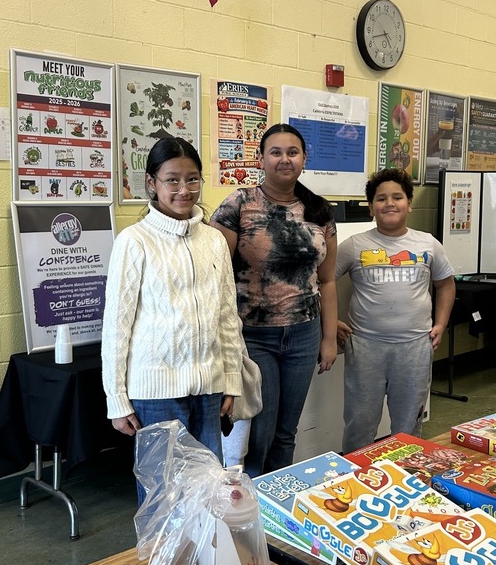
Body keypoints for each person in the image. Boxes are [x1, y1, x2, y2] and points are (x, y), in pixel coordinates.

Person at [101, 137, 242, 488]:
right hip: (155, 393)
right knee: (161, 494)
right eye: (172, 180)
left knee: (208, 489)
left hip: (209, 388)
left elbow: (227, 315)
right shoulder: (134, 241)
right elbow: (116, 326)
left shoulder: (213, 240)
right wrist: (116, 399)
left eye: (192, 179)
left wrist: (231, 378)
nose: (184, 189)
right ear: (152, 183)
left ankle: (204, 547)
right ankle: (159, 548)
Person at [211, 123, 338, 477]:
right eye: (276, 152)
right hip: (253, 335)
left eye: (293, 152)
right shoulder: (239, 204)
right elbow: (215, 277)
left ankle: (276, 503)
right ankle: (251, 505)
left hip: (303, 333)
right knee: (260, 430)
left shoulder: (319, 211)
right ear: (260, 159)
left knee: (286, 431)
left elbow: (326, 281)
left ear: (304, 159)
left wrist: (328, 339)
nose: (285, 159)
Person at [336, 167, 456, 453]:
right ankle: (357, 478)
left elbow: (446, 285)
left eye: (397, 197)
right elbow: (323, 282)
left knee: (408, 424)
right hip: (365, 347)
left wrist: (441, 324)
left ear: (409, 204)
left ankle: (407, 477)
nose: (389, 203)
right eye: (381, 198)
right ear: (371, 208)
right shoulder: (354, 246)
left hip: (415, 348)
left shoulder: (428, 244)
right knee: (360, 422)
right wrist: (332, 323)